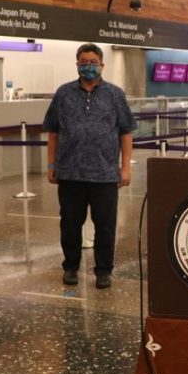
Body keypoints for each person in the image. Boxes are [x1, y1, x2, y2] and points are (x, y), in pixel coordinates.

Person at [43, 43, 136, 288]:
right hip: (70, 173)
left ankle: (104, 271)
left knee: (105, 227)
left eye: (93, 62)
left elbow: (125, 133)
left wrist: (125, 167)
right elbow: (53, 131)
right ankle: (71, 267)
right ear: (77, 64)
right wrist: (51, 164)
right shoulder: (63, 94)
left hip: (105, 174)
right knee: (70, 224)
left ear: (102, 65)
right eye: (84, 62)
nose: (89, 66)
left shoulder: (115, 94)